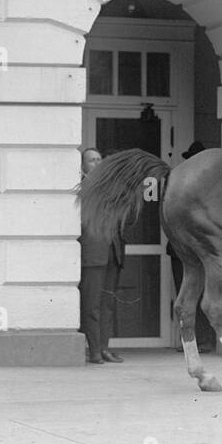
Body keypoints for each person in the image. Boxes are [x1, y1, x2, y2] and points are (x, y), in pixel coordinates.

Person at [166, 141, 218, 354]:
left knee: (205, 294)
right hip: (181, 248)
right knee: (186, 294)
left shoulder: (213, 186)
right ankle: (190, 339)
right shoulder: (181, 182)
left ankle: (204, 339)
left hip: (203, 249)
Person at [79, 146, 125, 364]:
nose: (97, 164)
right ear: (83, 166)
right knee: (91, 304)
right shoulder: (81, 189)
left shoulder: (109, 188)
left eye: (99, 159)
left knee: (107, 305)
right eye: (91, 160)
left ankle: (105, 347)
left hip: (112, 253)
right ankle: (94, 350)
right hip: (92, 253)